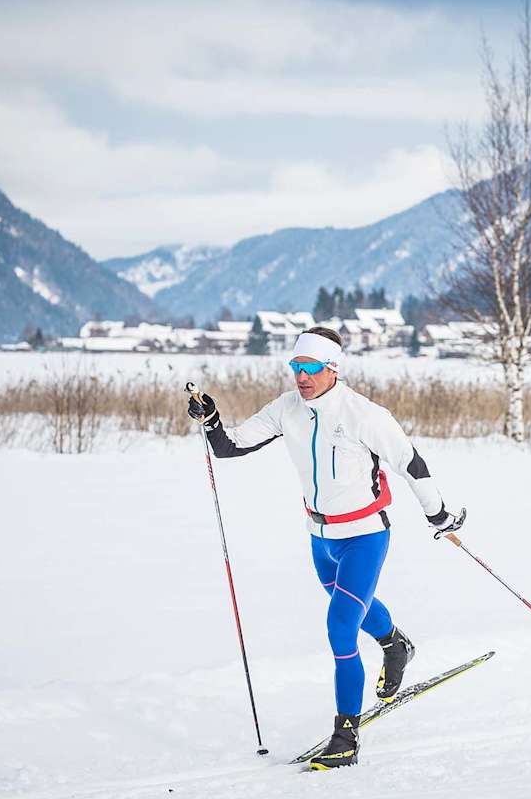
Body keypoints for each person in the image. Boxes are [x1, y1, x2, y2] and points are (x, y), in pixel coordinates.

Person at [187, 326, 464, 770]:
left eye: (311, 367)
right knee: (351, 603)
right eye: (296, 366)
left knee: (340, 627)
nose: (301, 376)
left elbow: (412, 464)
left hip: (365, 536)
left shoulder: (364, 415)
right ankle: (396, 645)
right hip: (321, 538)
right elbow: (229, 447)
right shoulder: (287, 408)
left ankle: (346, 736)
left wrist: (438, 514)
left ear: (332, 368)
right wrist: (212, 420)